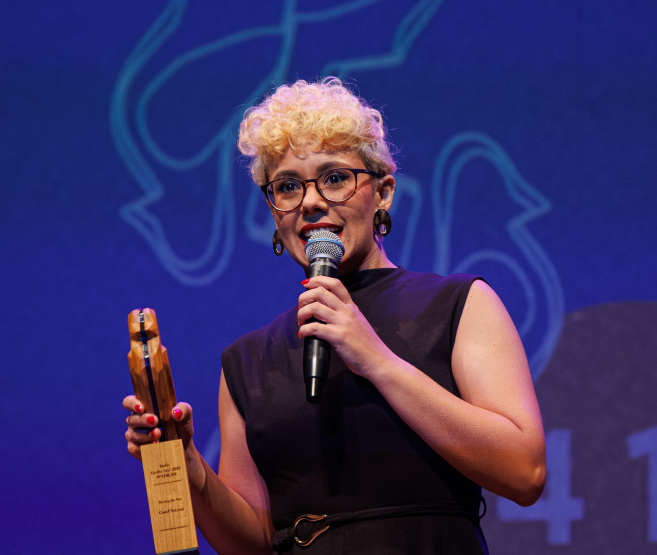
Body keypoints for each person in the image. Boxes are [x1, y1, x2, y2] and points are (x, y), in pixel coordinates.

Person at [124, 77, 546, 554]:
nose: (310, 201)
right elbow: (254, 544)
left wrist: (376, 360)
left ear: (382, 191)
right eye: (287, 186)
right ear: (275, 214)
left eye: (335, 178)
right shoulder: (246, 361)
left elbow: (524, 471)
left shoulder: (459, 305)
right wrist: (187, 465)